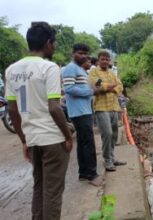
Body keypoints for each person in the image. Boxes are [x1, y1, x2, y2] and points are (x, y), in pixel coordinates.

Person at [5, 21, 73, 220]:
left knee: (39, 188)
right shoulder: (49, 68)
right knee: (53, 193)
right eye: (54, 43)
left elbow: (12, 109)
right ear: (47, 43)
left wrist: (24, 140)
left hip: (33, 139)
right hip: (52, 139)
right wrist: (68, 136)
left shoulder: (11, 70)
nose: (55, 47)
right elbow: (54, 107)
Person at [62, 43, 102, 186]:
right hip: (79, 112)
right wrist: (91, 92)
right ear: (73, 53)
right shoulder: (70, 68)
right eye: (80, 53)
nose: (84, 56)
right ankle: (92, 174)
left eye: (86, 53)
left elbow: (79, 87)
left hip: (84, 110)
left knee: (84, 143)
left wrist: (91, 89)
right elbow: (69, 88)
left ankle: (84, 173)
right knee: (88, 143)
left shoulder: (80, 69)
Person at [89, 50, 126, 171]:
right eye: (102, 59)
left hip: (114, 107)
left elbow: (120, 86)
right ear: (98, 60)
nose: (105, 61)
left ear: (109, 61)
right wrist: (109, 86)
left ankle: (112, 157)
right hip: (101, 108)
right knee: (107, 134)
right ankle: (107, 160)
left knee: (114, 134)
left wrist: (111, 87)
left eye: (107, 59)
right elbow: (96, 86)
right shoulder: (94, 71)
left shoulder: (111, 73)